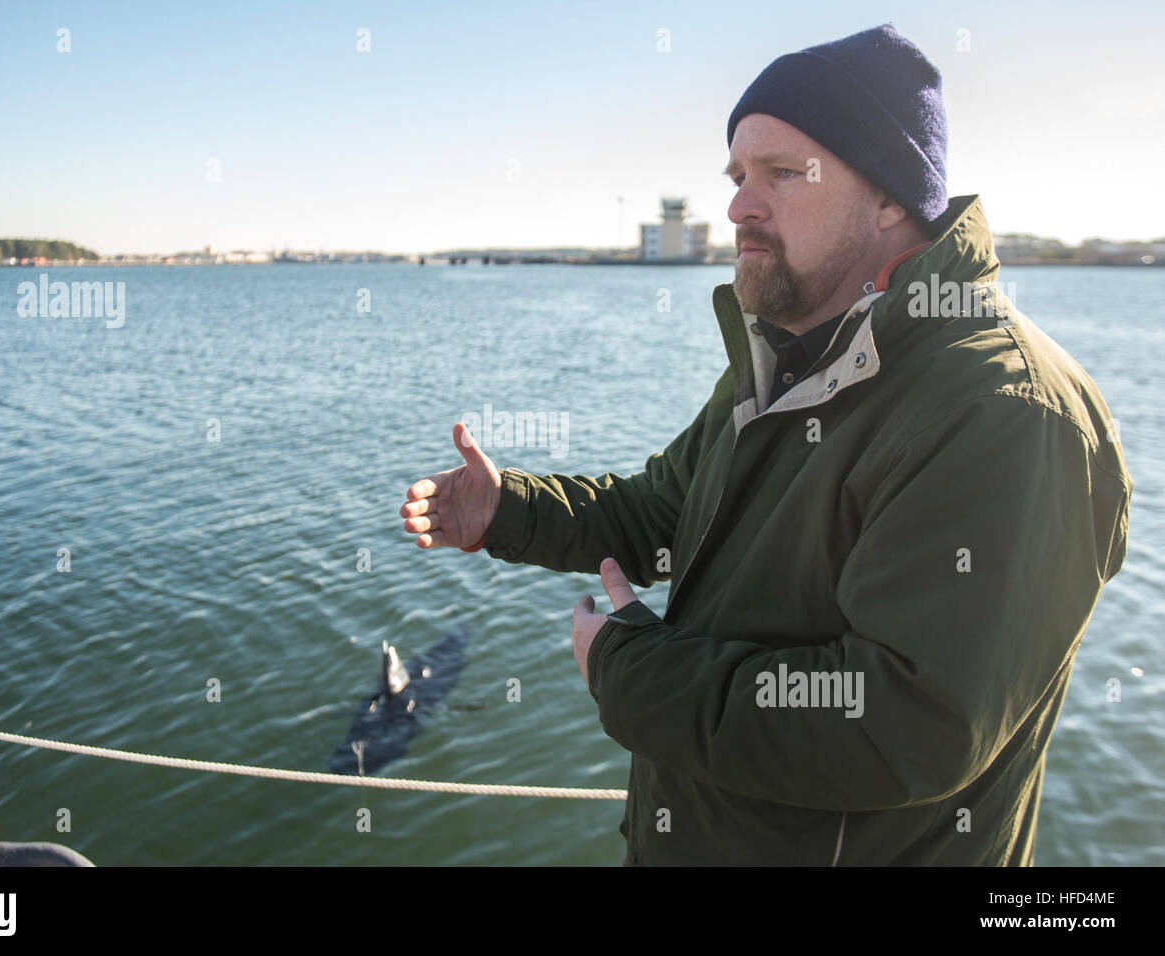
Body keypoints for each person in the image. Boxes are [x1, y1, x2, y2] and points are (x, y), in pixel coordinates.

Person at [400, 24, 1132, 865]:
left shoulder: (1008, 412)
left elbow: (905, 724)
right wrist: (508, 510)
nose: (739, 205)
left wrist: (632, 675)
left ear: (893, 197)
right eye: (738, 176)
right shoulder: (789, 356)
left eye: (783, 174)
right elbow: (664, 512)